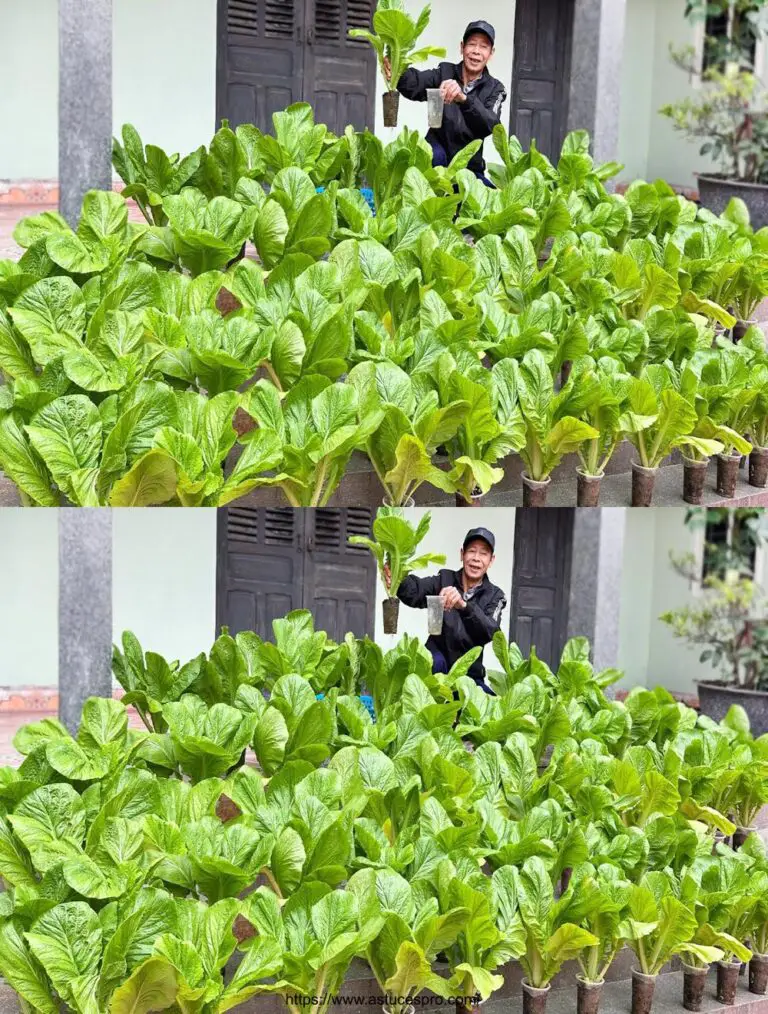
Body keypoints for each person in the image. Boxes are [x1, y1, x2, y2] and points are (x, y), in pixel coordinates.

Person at [384, 20, 507, 186]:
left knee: (490, 200)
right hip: (436, 156)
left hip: (468, 166)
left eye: (483, 46)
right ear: (462, 47)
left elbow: (490, 124)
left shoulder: (496, 88)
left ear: (491, 53)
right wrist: (397, 70)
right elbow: (416, 83)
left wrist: (464, 99)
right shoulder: (445, 72)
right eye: (472, 44)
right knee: (430, 164)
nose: (476, 51)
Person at [387, 527, 507, 691]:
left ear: (491, 560)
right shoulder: (444, 579)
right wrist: (396, 577)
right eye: (472, 551)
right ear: (462, 554)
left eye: (483, 553)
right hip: (437, 665)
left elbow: (490, 630)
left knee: (489, 707)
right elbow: (415, 591)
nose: (476, 558)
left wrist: (464, 606)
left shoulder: (496, 595)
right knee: (430, 671)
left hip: (469, 674)